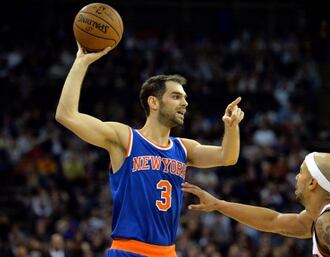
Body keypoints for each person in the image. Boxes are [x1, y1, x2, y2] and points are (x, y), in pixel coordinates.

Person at [55, 44, 244, 257]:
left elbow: (227, 157)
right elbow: (66, 115)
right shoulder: (125, 139)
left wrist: (232, 128)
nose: (185, 103)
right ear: (153, 102)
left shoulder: (184, 148)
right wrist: (81, 62)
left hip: (167, 252)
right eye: (176, 97)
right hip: (128, 250)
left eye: (185, 98)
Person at [182, 152, 330, 257]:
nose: (296, 177)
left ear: (312, 183)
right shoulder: (319, 218)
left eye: (301, 172)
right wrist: (219, 204)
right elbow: (273, 221)